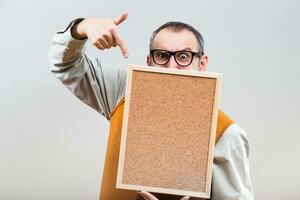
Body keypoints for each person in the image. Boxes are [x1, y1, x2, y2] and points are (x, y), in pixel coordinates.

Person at [48, 12, 254, 200]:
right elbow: (64, 65)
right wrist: (83, 27)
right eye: (162, 56)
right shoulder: (122, 91)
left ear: (202, 63)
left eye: (184, 57)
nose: (172, 67)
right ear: (150, 61)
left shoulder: (226, 134)